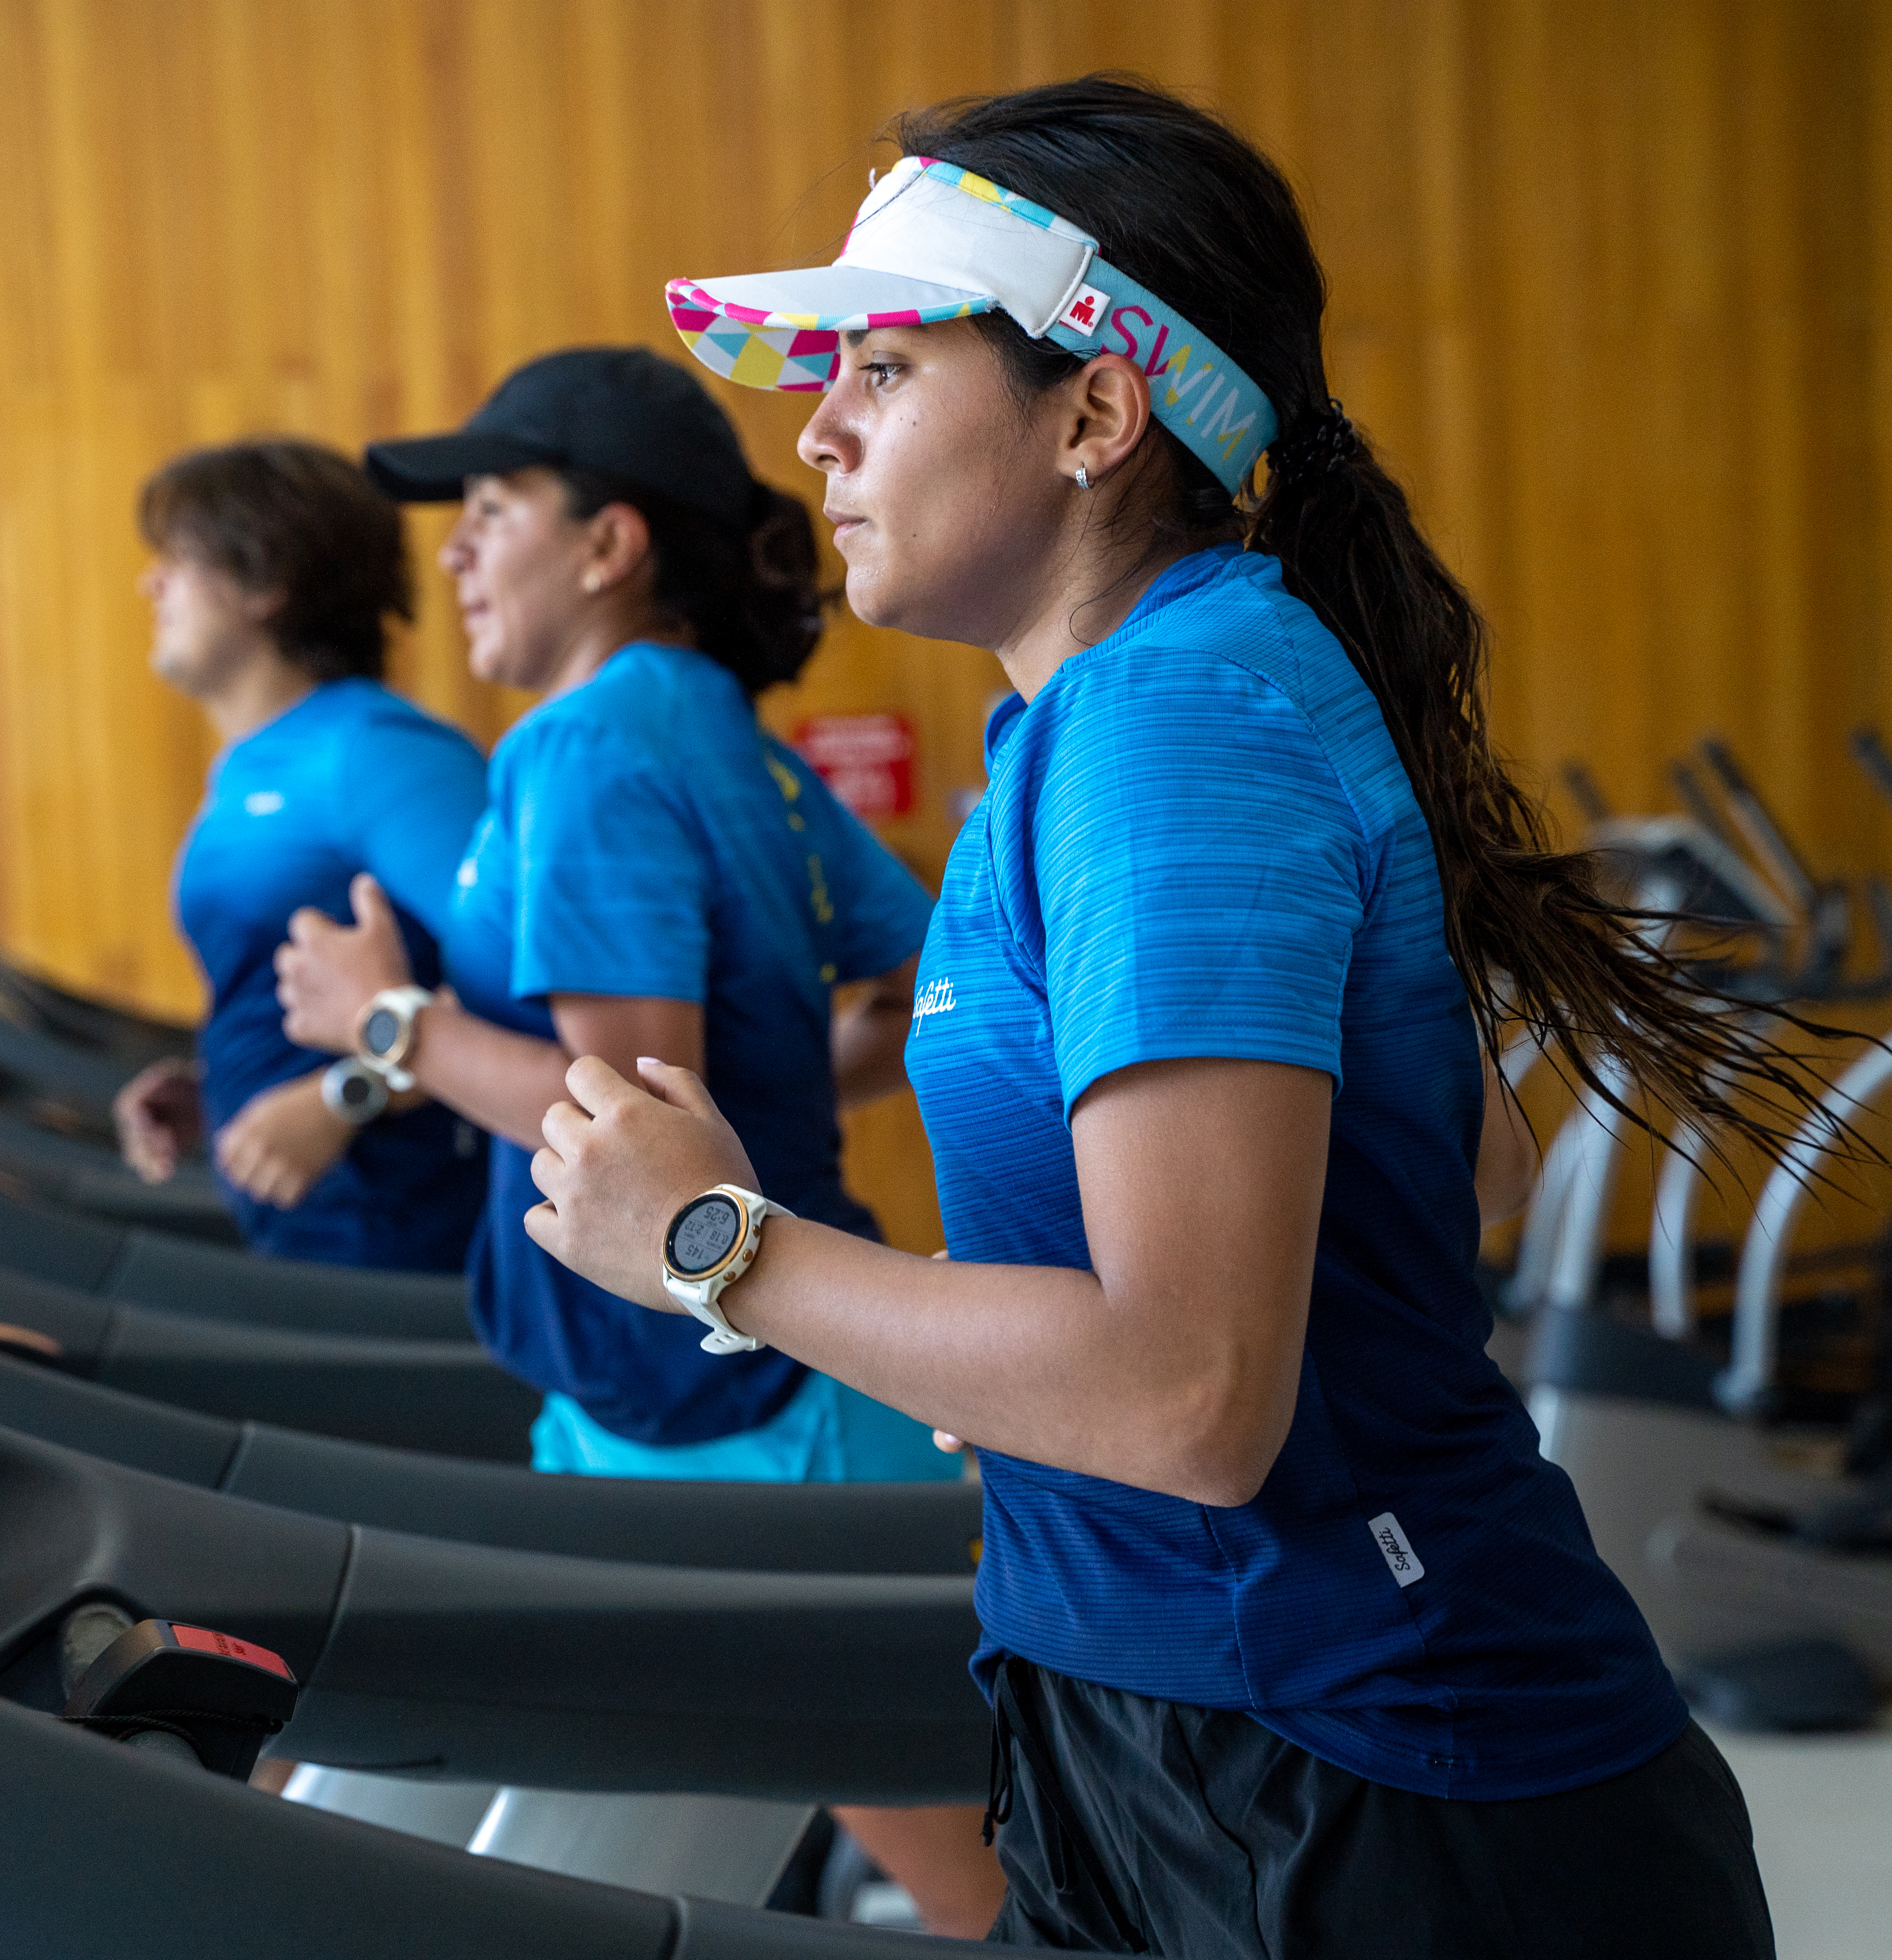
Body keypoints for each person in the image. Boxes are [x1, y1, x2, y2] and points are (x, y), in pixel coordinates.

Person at [524, 78, 1806, 1958]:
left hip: (1363, 1774)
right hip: (1176, 1723)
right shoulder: (1096, 714)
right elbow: (1456, 1164)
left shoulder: (1174, 722)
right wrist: (1018, 1373)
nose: (816, 432)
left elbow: (1195, 1399)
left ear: (1098, 412)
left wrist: (718, 1248)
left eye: (883, 374)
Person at [271, 345, 1006, 1936]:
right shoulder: (722, 735)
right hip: (683, 1388)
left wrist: (383, 1023)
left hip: (719, 1410)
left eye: (492, 508)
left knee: (976, 1887)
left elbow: (623, 1124)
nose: (453, 550)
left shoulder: (585, 745)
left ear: (609, 547)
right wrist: (770, 1099)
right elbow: (925, 984)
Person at [109, 439, 488, 1274]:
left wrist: (345, 1095)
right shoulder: (254, 761)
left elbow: (536, 985)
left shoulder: (379, 754)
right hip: (311, 1228)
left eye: (178, 559)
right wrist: (227, 1086)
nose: (152, 583)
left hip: (405, 1240)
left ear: (265, 581)